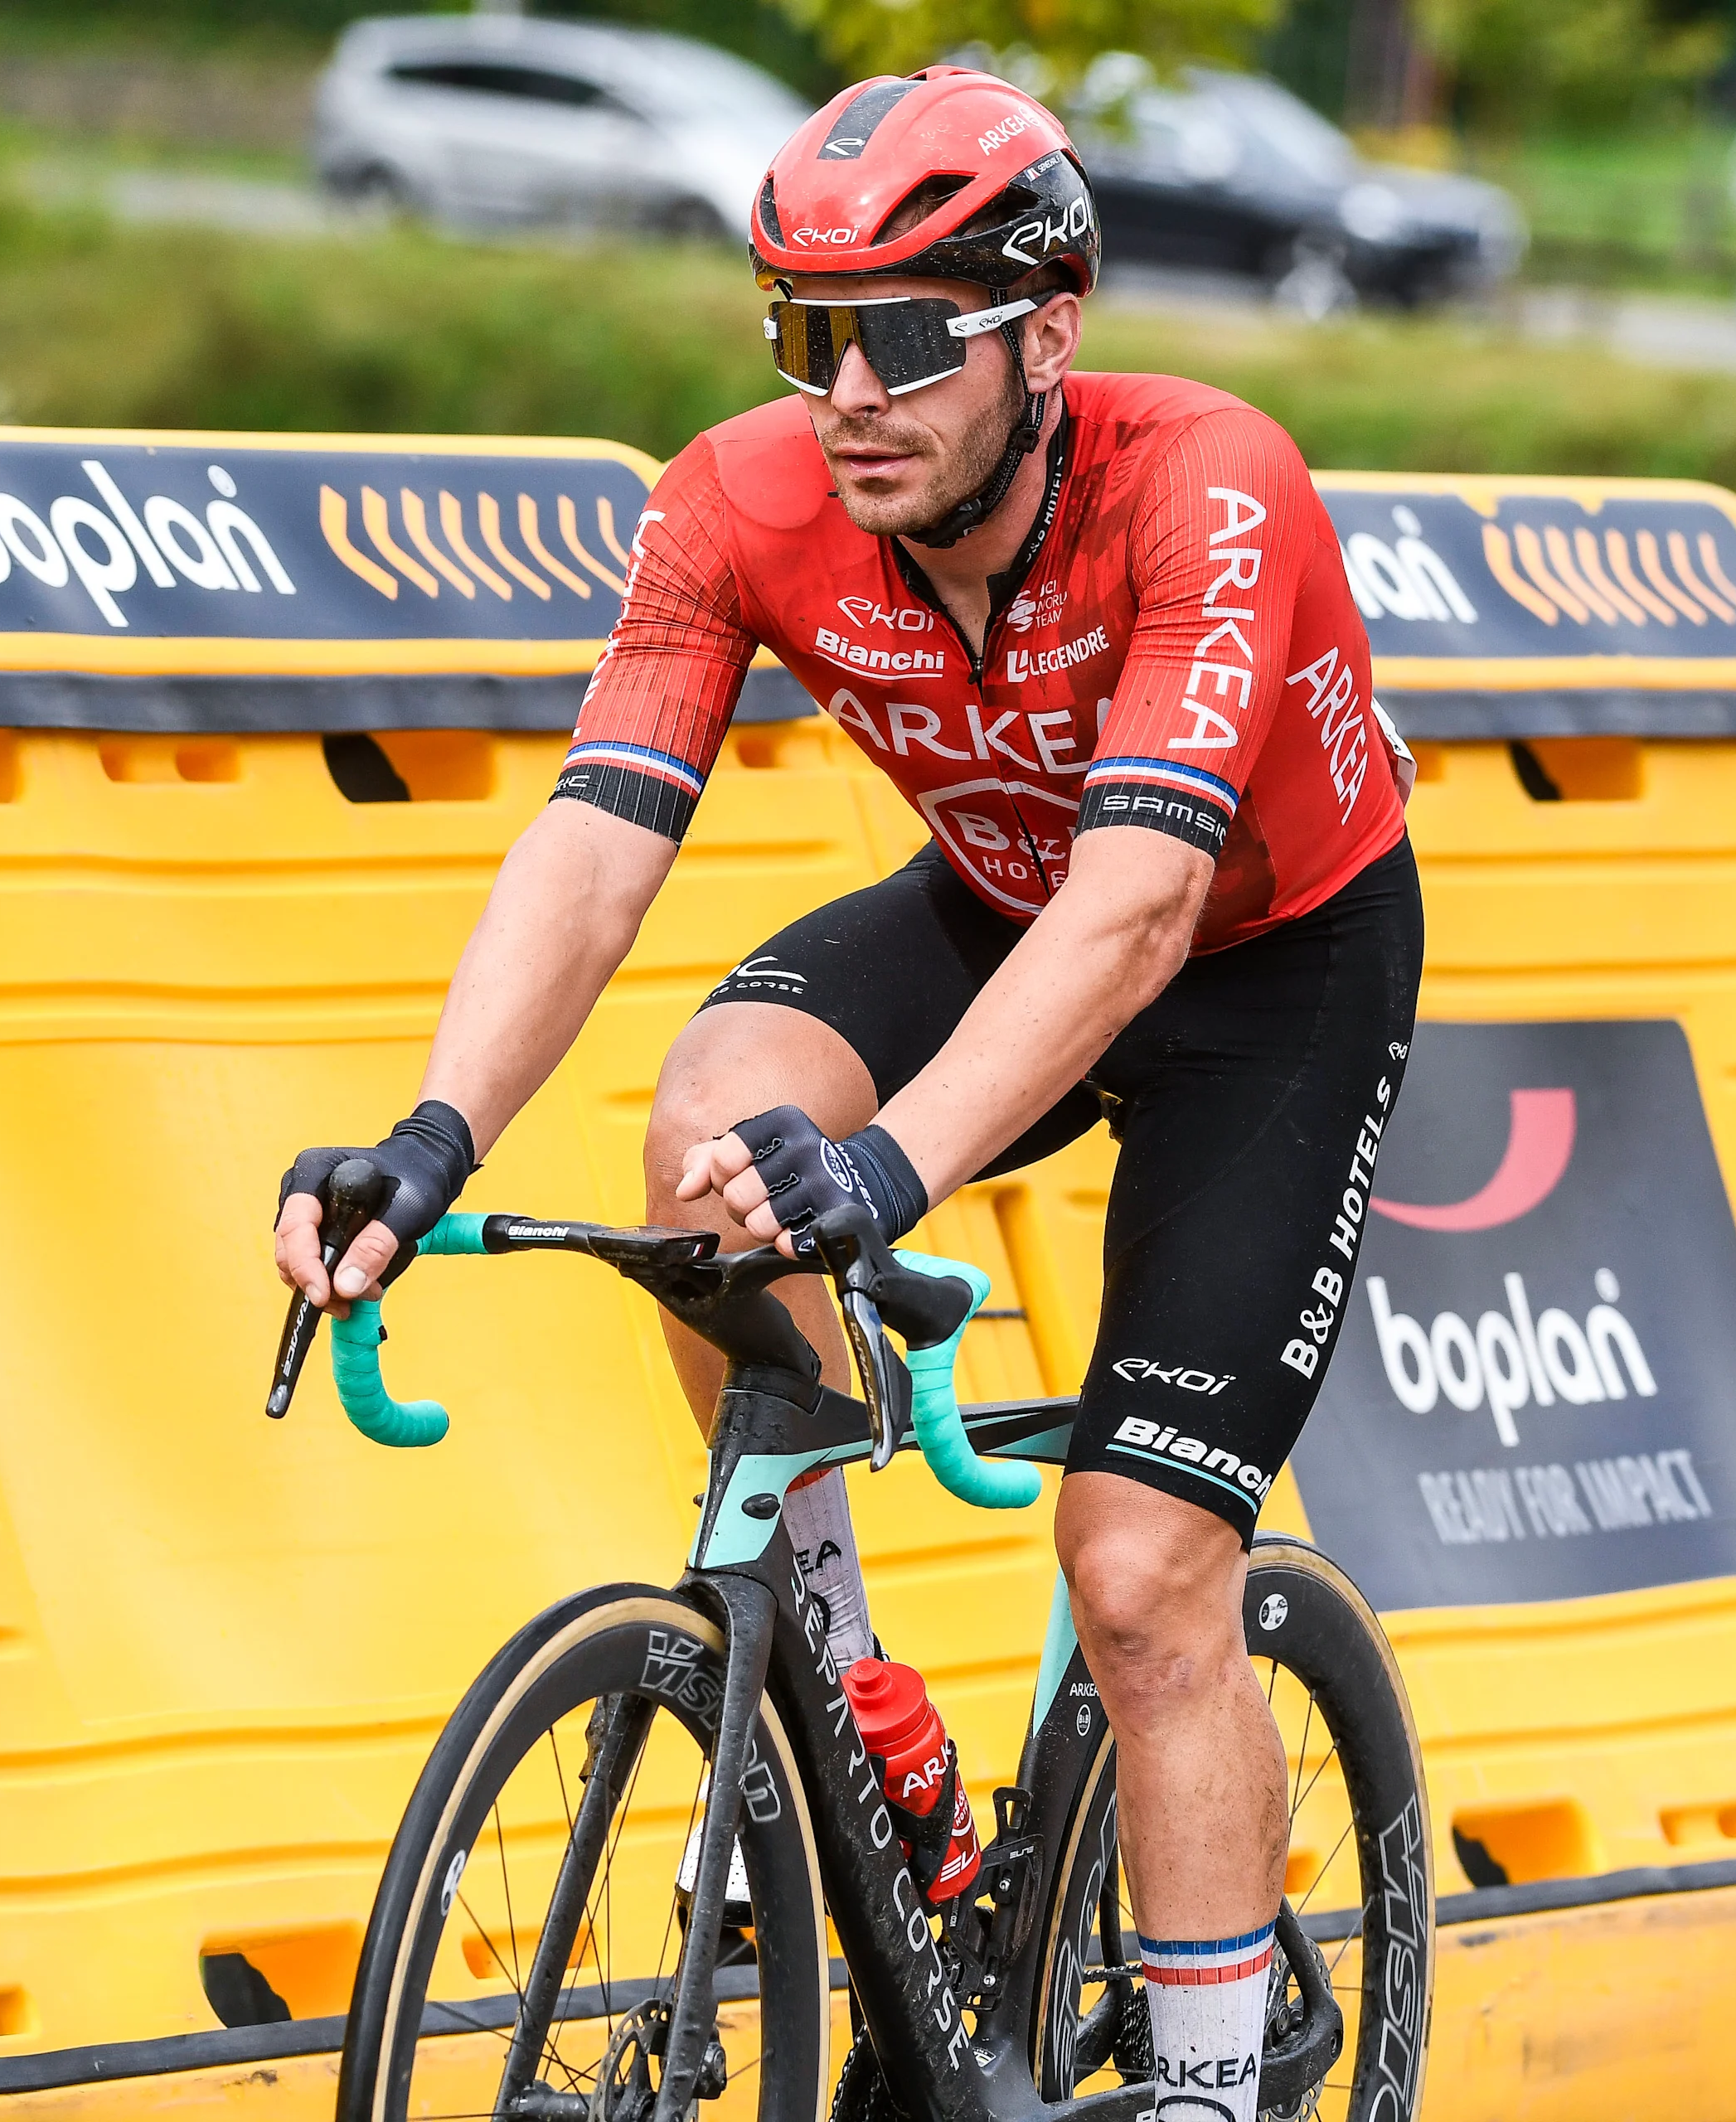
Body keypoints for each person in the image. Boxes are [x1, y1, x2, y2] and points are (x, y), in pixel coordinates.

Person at [273, 65, 1419, 2122]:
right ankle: (861, 1720)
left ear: (1047, 329)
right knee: (706, 1146)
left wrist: (887, 1167)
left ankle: (1214, 2077)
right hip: (992, 901)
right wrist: (431, 1136)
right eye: (808, 332)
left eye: (902, 335)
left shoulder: (1208, 481)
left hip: (1265, 969)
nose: (848, 393)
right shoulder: (735, 498)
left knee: (1147, 1566)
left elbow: (1146, 905)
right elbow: (602, 837)